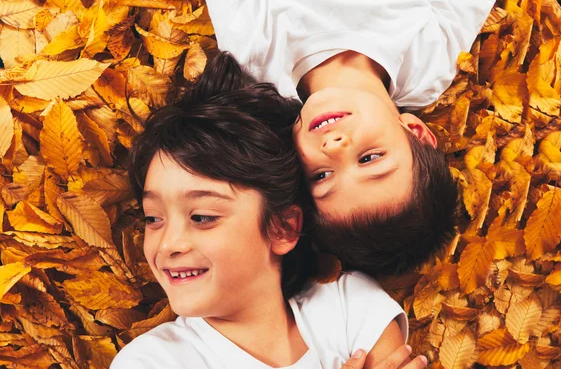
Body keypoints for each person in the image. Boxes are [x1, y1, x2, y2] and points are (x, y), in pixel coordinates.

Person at [111, 53, 427, 369]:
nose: (168, 245)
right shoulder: (151, 360)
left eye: (203, 217)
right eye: (154, 218)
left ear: (282, 228)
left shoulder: (347, 306)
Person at [199, 0, 498, 276]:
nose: (334, 147)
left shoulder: (253, 53)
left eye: (322, 175)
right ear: (417, 133)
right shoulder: (427, 71)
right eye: (369, 158)